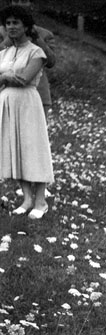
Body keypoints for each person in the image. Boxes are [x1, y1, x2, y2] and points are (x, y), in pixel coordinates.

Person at [0, 5, 53, 218]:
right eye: (8, 23)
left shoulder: (36, 52)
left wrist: (5, 77)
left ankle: (41, 202)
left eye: (16, 23)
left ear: (26, 26)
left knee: (33, 149)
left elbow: (24, 79)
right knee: (16, 149)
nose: (11, 27)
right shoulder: (4, 52)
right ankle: (27, 198)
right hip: (7, 104)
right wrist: (5, 78)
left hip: (28, 104)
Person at [0, 0, 56, 116]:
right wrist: (9, 39)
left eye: (24, 1)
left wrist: (37, 38)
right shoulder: (3, 31)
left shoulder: (44, 34)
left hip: (36, 91)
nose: (20, 4)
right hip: (4, 93)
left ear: (31, 4)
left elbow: (51, 62)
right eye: (16, 1)